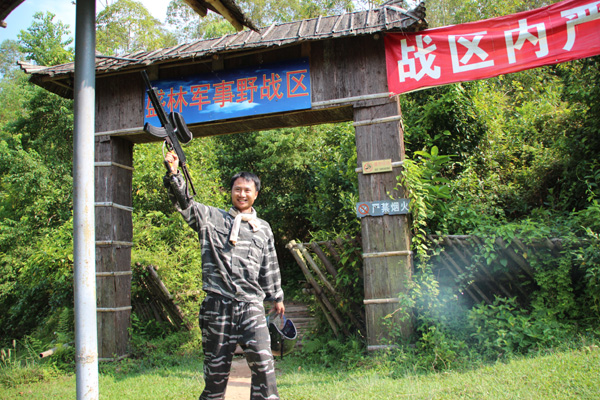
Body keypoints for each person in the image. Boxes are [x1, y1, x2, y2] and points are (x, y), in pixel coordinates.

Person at [162, 151, 285, 400]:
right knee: (215, 373)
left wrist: (276, 297)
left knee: (264, 365)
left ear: (256, 194)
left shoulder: (263, 229)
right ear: (231, 192)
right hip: (217, 307)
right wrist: (174, 173)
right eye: (237, 189)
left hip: (251, 306)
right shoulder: (211, 218)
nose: (242, 194)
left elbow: (269, 264)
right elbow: (186, 204)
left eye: (247, 190)